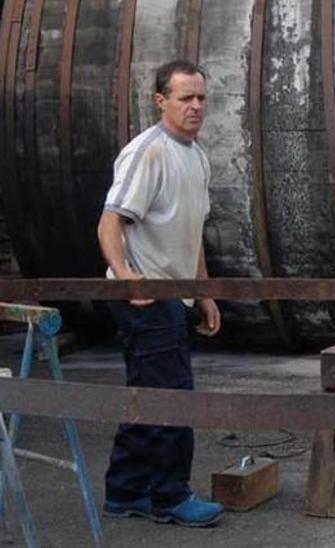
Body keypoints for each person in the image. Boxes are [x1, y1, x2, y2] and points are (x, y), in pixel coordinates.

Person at [96, 60, 224, 527]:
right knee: (172, 397)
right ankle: (170, 496)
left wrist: (204, 293)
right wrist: (129, 278)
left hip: (174, 294)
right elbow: (110, 223)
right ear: (160, 101)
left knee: (148, 396)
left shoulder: (197, 156)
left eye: (201, 98)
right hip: (147, 296)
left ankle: (125, 491)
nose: (195, 106)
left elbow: (191, 233)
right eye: (185, 97)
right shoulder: (147, 152)